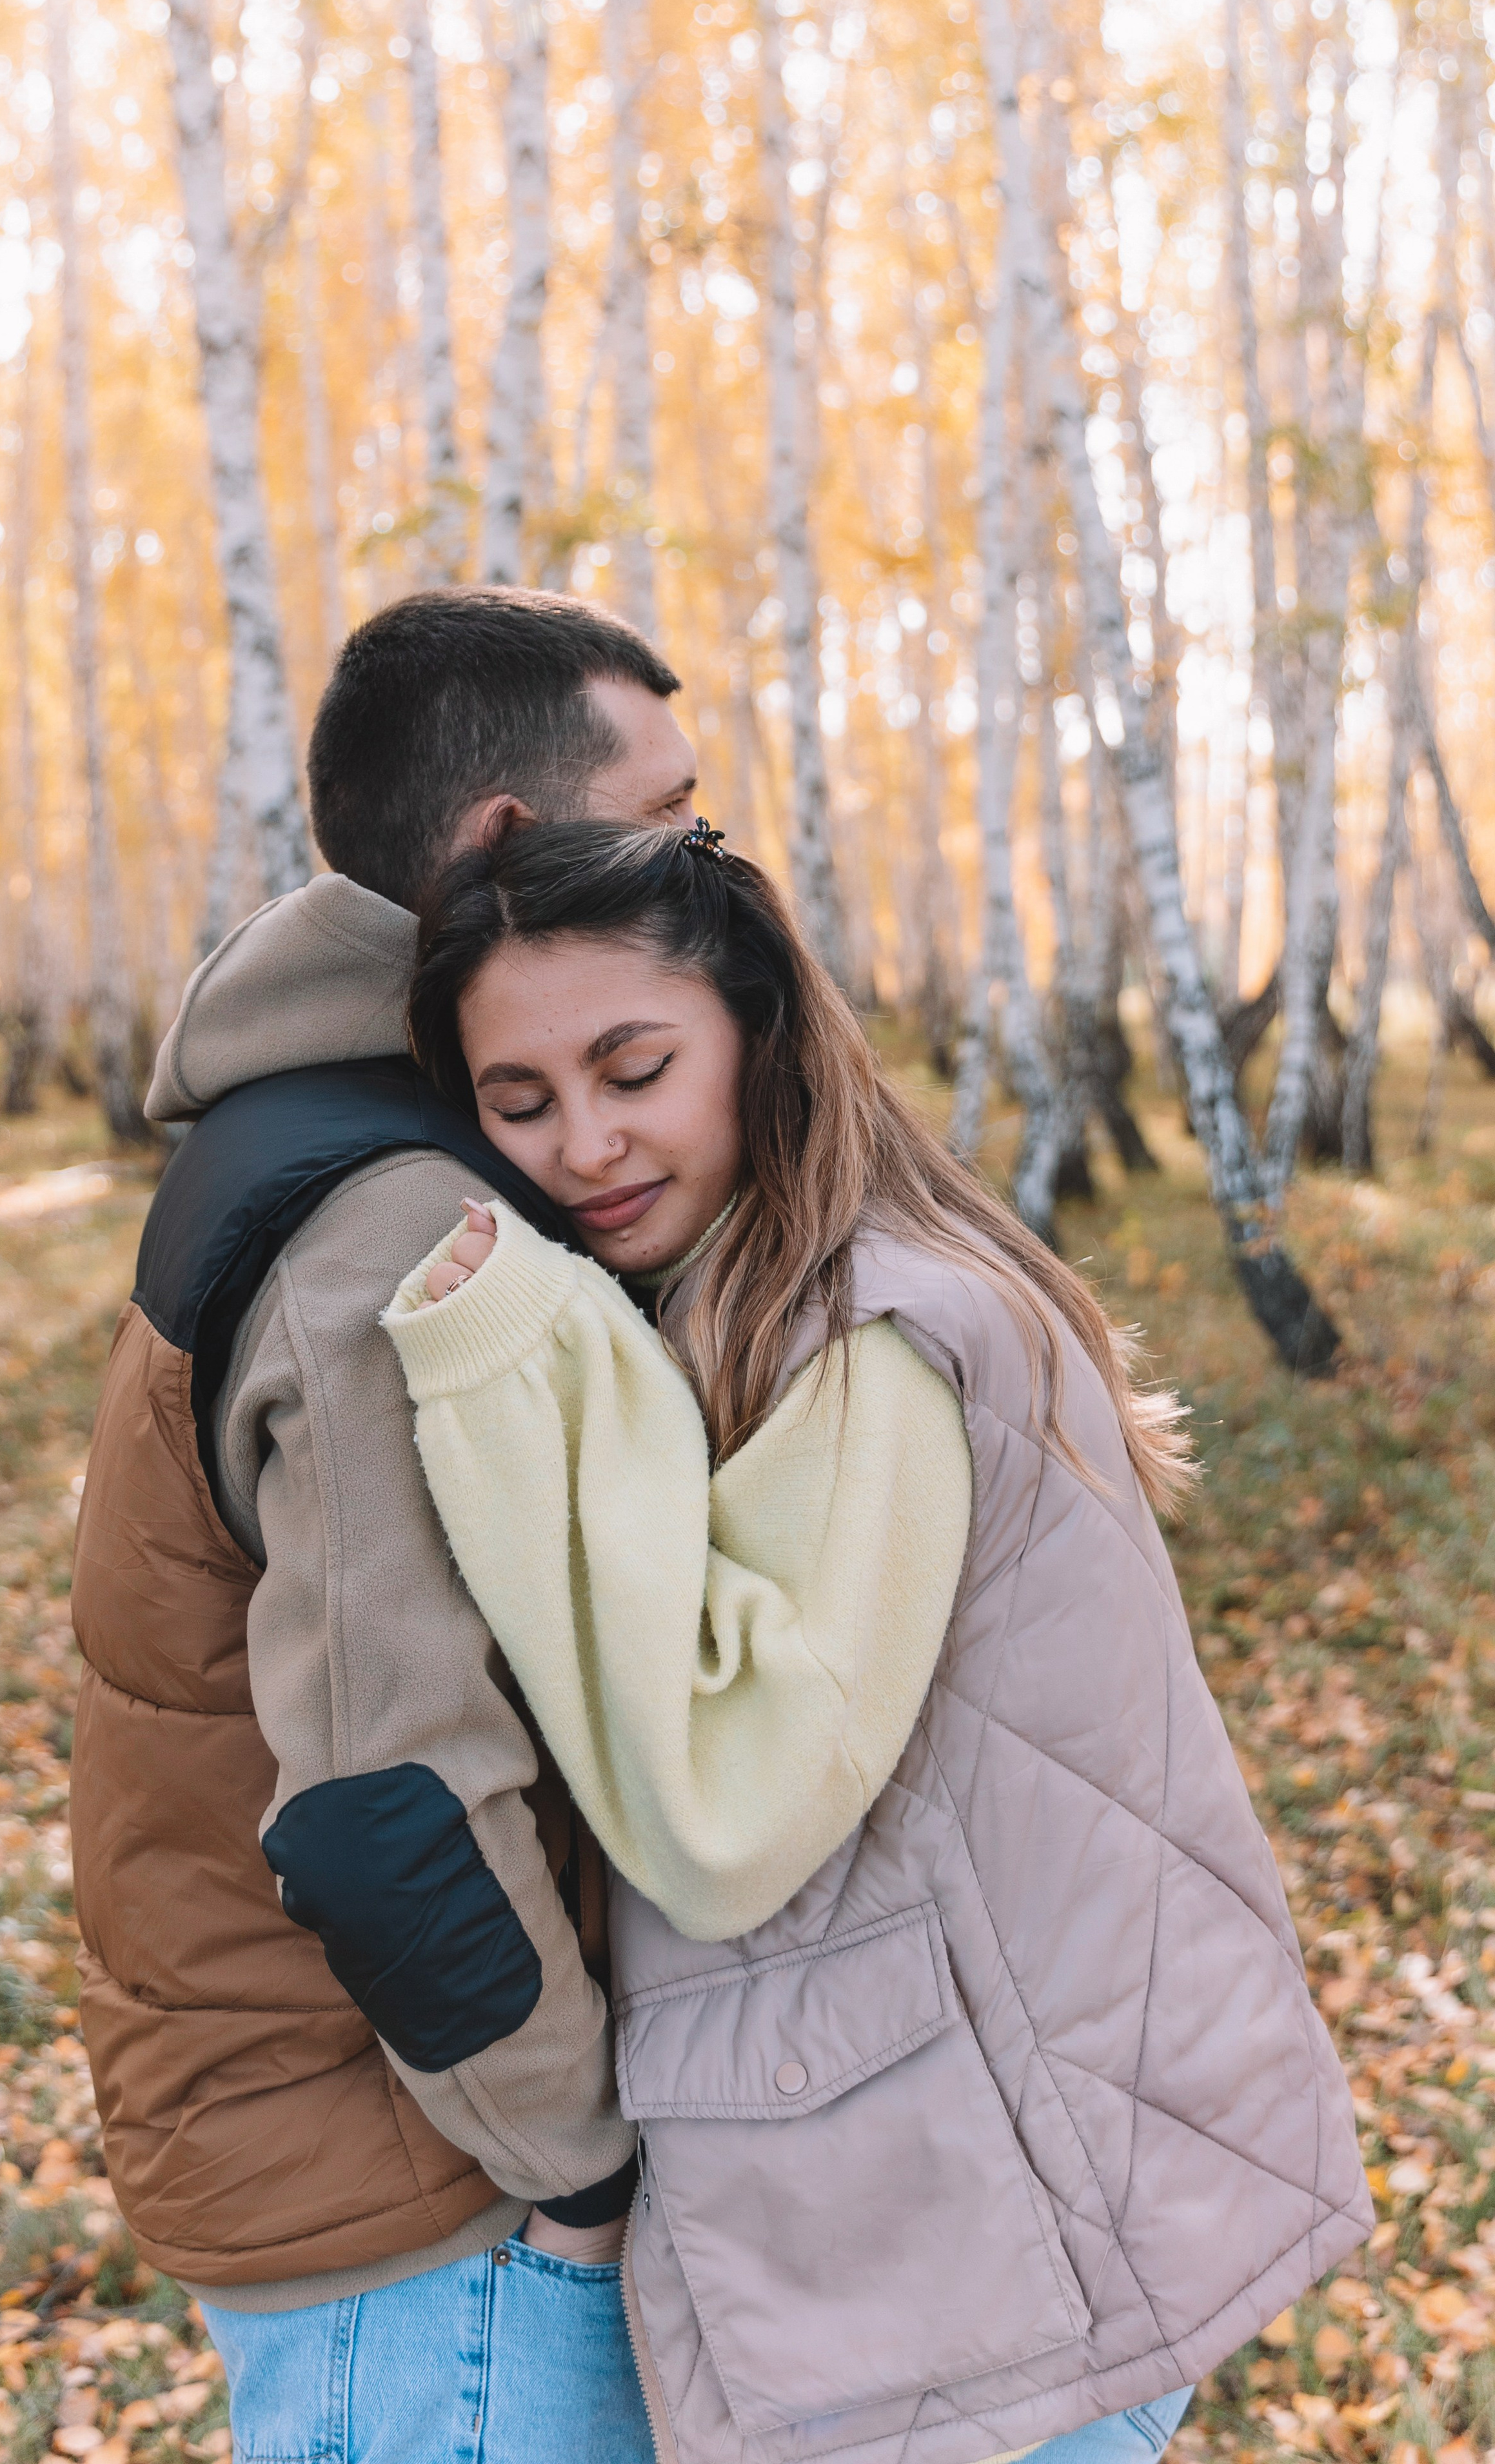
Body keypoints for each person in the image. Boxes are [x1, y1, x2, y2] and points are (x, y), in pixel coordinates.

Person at [381, 816, 1373, 2464]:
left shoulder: (868, 1344)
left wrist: (505, 1358)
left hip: (996, 2262)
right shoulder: (788, 1298)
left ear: (758, 1036)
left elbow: (722, 1812)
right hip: (984, 2216)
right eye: (519, 1101)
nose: (588, 1145)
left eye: (636, 1068)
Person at [68, 590, 698, 2464]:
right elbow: (382, 1802)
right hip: (434, 2214)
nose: (710, 869)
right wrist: (579, 2174)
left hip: (374, 2165)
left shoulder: (324, 1124)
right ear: (513, 847)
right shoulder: (385, 1233)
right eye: (672, 819)